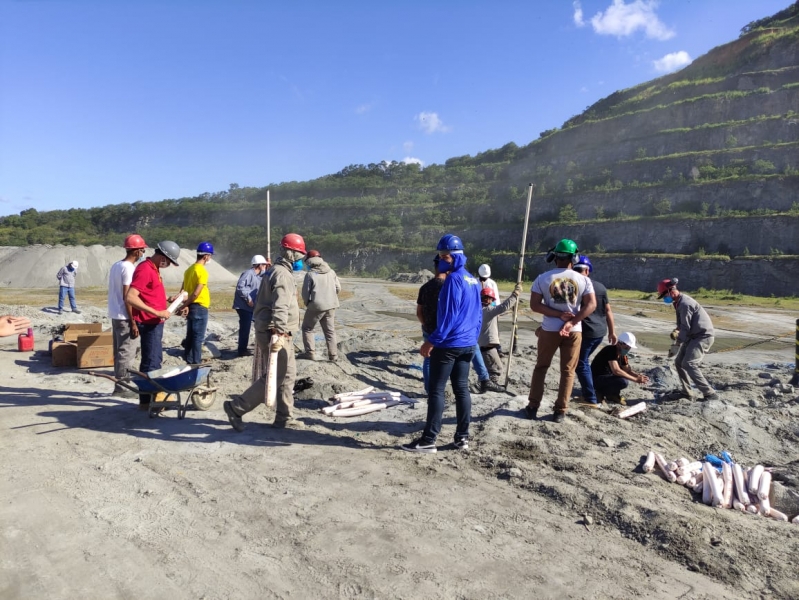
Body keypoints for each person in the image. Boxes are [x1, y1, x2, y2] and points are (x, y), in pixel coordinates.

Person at [401, 234, 482, 453]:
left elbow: (448, 316)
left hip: (448, 345)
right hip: (467, 344)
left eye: (442, 256)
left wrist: (432, 341)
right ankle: (462, 438)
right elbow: (478, 314)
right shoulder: (472, 279)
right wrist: (473, 338)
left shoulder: (453, 280)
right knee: (462, 389)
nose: (441, 260)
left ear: (450, 256)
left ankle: (428, 440)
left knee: (436, 391)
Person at [224, 233, 306, 431]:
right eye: (299, 255)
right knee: (274, 376)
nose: (301, 260)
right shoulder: (282, 274)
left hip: (277, 331)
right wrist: (279, 331)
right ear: (291, 253)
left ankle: (284, 417)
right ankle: (236, 407)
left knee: (287, 375)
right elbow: (280, 305)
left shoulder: (274, 271)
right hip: (276, 332)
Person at [525, 239, 597, 423]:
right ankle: (560, 411)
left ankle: (533, 406)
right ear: (574, 258)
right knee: (568, 371)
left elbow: (534, 305)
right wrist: (572, 321)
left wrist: (558, 315)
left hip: (549, 329)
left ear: (554, 256)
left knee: (541, 367)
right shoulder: (584, 280)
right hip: (574, 331)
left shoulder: (542, 278)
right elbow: (591, 305)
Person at [126, 241, 181, 409]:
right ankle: (151, 400)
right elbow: (131, 297)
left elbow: (148, 296)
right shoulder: (145, 269)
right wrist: (157, 313)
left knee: (152, 360)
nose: (169, 265)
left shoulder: (154, 269)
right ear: (162, 257)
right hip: (149, 323)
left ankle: (147, 400)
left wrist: (168, 301)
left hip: (154, 322)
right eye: (169, 261)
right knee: (152, 363)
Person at [657, 277, 718, 401]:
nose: (664, 299)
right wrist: (676, 331)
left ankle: (710, 393)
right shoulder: (678, 302)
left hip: (702, 337)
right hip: (693, 336)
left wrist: (677, 344)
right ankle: (687, 392)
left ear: (671, 291)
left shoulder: (685, 304)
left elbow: (685, 327)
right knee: (679, 363)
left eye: (664, 296)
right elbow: (681, 325)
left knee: (689, 364)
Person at [572, 255, 617, 405]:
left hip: (587, 332)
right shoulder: (600, 287)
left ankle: (590, 397)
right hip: (600, 332)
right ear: (588, 270)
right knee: (583, 362)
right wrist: (612, 331)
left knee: (580, 363)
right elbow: (608, 311)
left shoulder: (576, 287)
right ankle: (592, 391)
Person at [107, 234, 148, 398]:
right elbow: (128, 297)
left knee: (119, 351)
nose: (143, 253)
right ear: (137, 251)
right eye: (142, 250)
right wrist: (133, 322)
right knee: (126, 352)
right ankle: (122, 388)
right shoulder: (129, 268)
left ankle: (119, 384)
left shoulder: (116, 265)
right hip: (125, 317)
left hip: (115, 315)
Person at [300, 249, 341, 361]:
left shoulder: (310, 274)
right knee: (330, 331)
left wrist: (308, 303)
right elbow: (338, 288)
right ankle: (333, 355)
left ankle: (310, 353)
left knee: (307, 328)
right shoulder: (331, 272)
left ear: (309, 261)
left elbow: (305, 293)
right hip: (331, 305)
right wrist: (330, 297)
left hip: (316, 306)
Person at [478, 284, 522, 386]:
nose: (492, 301)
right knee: (496, 369)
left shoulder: (479, 309)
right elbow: (503, 307)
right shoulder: (488, 310)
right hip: (487, 346)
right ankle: (490, 385)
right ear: (489, 299)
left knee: (488, 367)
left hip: (483, 345)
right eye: (491, 299)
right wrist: (515, 295)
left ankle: (484, 384)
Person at [590, 332, 649, 404]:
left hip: (607, 378)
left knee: (622, 378)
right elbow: (616, 371)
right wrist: (636, 379)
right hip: (596, 379)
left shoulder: (623, 356)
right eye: (626, 347)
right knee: (622, 381)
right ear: (619, 344)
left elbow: (627, 370)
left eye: (629, 348)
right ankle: (599, 392)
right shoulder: (610, 350)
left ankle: (611, 395)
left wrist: (638, 376)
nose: (627, 349)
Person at [180, 242, 214, 364]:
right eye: (210, 256)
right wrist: (184, 305)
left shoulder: (189, 270)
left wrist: (185, 304)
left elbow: (183, 290)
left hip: (191, 306)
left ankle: (189, 360)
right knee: (198, 338)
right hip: (199, 307)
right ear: (206, 256)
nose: (210, 259)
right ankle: (196, 362)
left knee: (190, 335)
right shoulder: (202, 271)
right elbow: (195, 293)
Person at [416, 255, 446, 394]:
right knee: (447, 360)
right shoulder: (449, 288)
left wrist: (425, 325)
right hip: (445, 331)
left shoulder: (425, 288)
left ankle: (429, 389)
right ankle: (441, 389)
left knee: (428, 360)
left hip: (429, 330)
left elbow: (419, 312)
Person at [233, 254, 269, 357]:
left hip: (252, 307)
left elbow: (267, 276)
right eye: (264, 265)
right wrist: (248, 299)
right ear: (259, 265)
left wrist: (269, 267)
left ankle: (246, 348)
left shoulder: (259, 276)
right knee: (245, 327)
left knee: (255, 325)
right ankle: (242, 350)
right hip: (243, 306)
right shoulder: (248, 273)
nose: (265, 267)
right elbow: (240, 287)